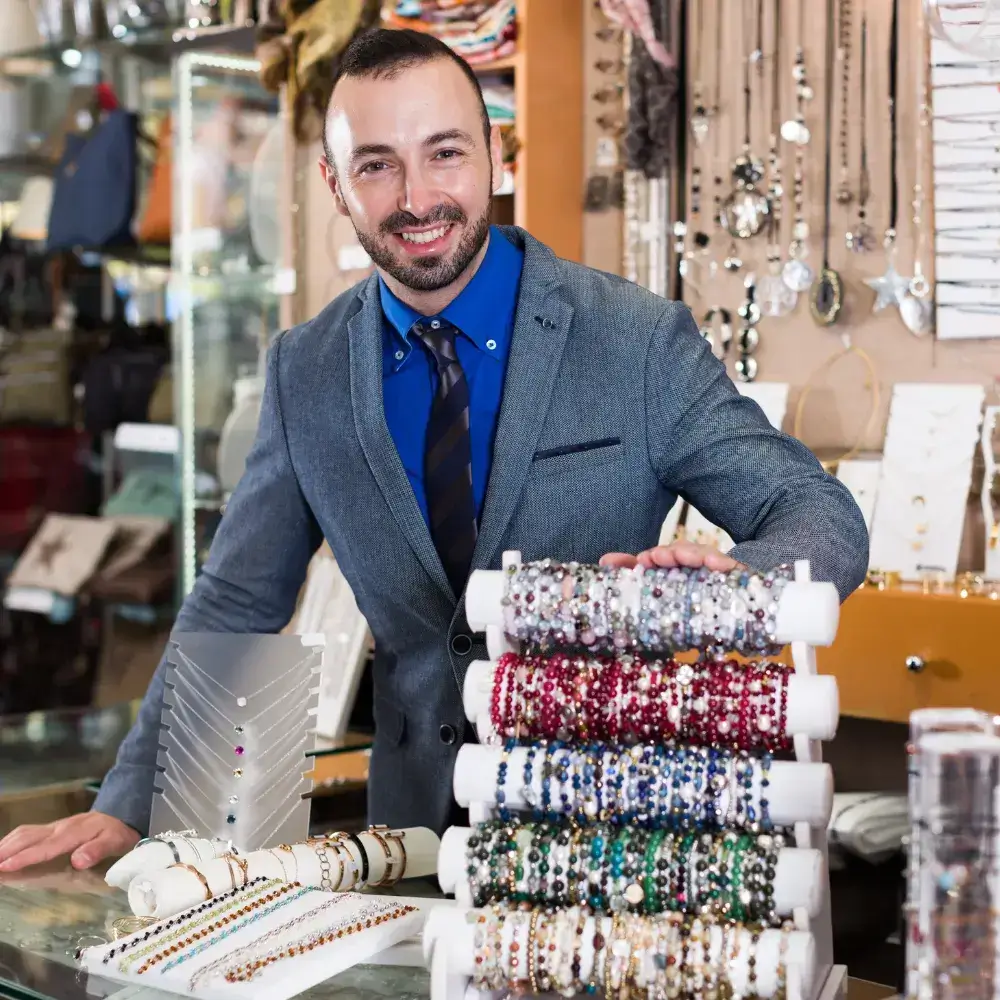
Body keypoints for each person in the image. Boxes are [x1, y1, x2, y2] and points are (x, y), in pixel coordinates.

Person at [0, 28, 868, 874]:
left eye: (445, 152)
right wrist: (127, 802)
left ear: (495, 154)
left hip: (609, 840)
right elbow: (235, 599)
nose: (417, 197)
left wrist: (742, 596)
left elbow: (820, 514)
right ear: (334, 184)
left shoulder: (634, 341)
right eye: (376, 164)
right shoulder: (305, 370)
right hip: (410, 853)